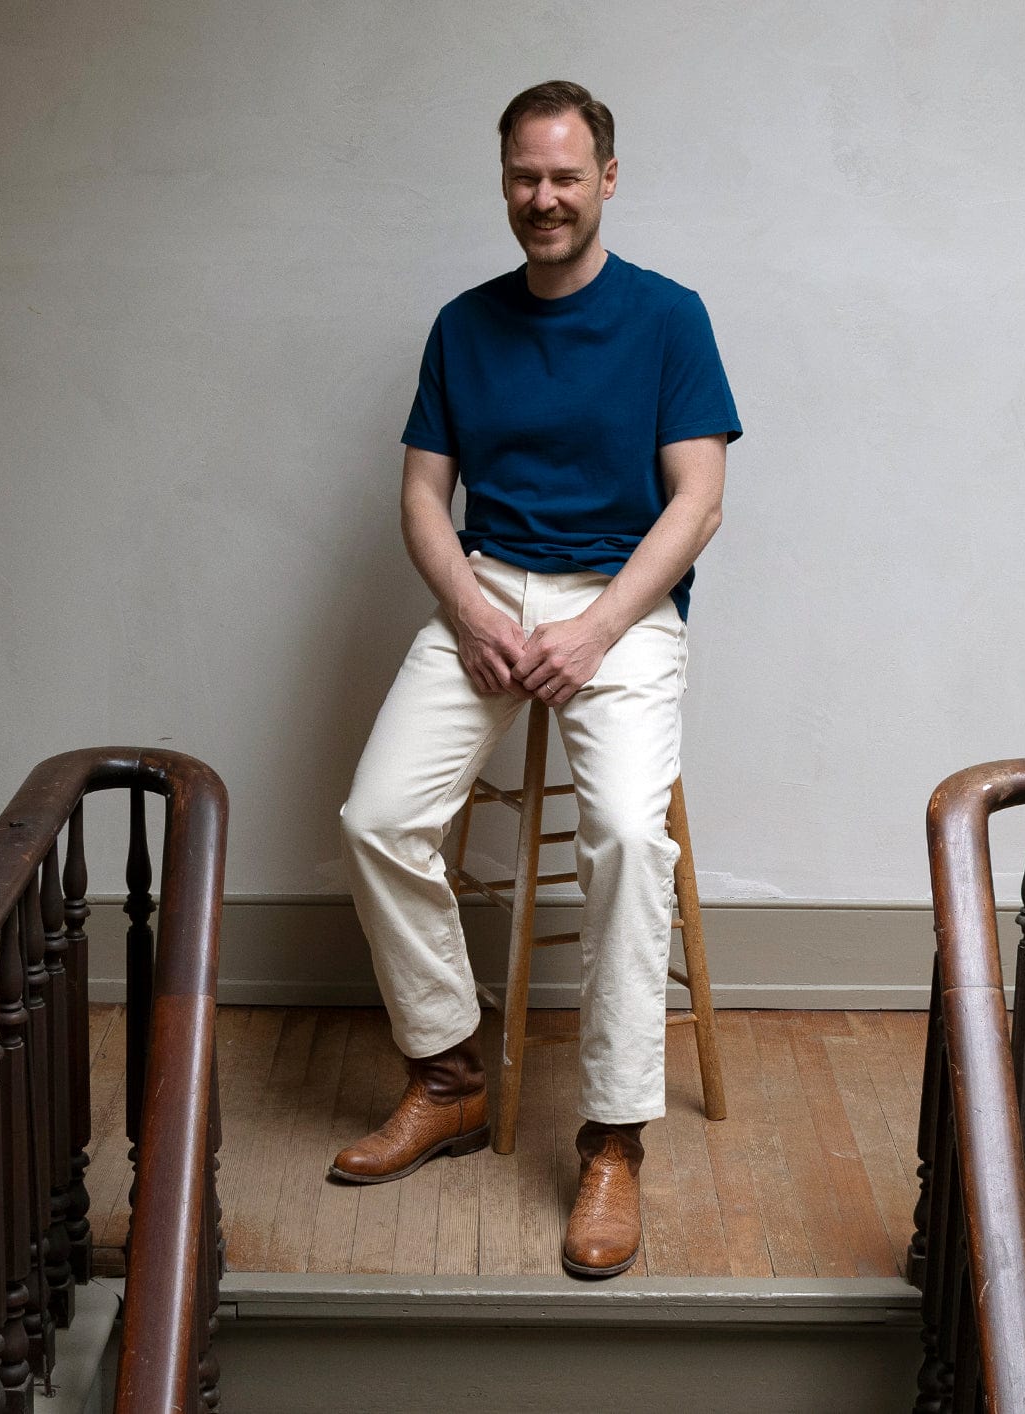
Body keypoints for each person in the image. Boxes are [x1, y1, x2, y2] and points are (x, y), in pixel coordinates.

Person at [330, 80, 741, 1278]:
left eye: (566, 176)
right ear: (503, 179)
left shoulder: (670, 317)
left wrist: (599, 630)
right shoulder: (463, 324)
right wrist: (467, 604)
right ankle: (450, 1071)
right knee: (376, 817)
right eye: (525, 176)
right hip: (488, 590)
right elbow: (420, 496)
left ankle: (614, 1136)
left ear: (608, 178)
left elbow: (699, 500)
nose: (544, 197)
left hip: (623, 605)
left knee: (622, 831)